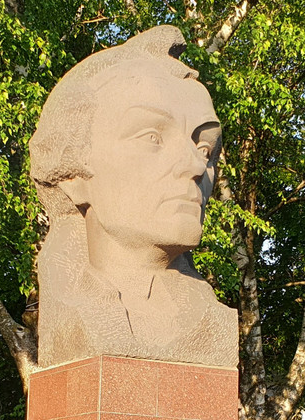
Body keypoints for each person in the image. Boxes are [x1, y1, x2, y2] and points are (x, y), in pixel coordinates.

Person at [30, 25, 237, 369]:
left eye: (204, 148)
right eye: (152, 136)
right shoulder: (74, 307)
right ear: (73, 175)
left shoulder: (210, 320)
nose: (195, 165)